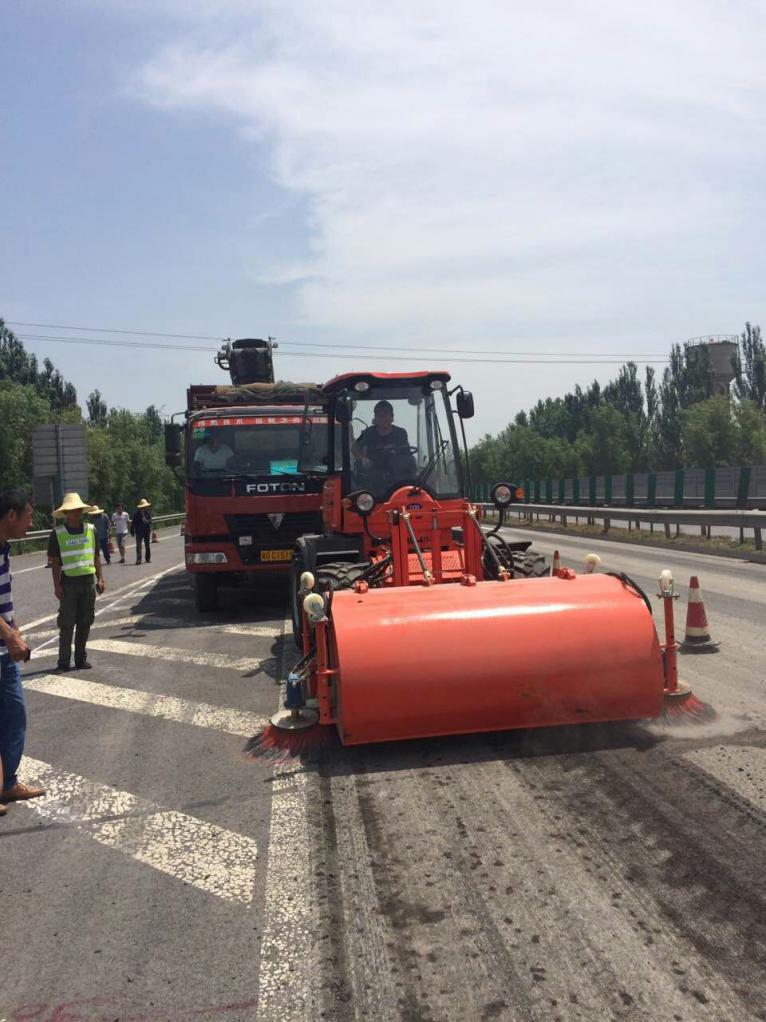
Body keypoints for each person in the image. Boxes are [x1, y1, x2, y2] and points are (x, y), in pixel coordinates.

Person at [0, 489, 45, 812]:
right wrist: (9, 636)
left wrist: (15, 629)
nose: (31, 523)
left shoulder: (4, 548)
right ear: (11, 516)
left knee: (14, 717)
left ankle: (8, 784)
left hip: (3, 653)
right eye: (28, 516)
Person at [48, 492, 105, 672]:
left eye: (78, 509)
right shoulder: (57, 534)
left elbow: (96, 556)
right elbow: (55, 562)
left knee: (85, 621)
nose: (76, 513)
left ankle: (80, 659)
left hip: (88, 583)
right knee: (66, 624)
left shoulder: (91, 530)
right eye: (72, 510)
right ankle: (63, 662)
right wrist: (57, 585)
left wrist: (100, 578)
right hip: (69, 584)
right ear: (66, 513)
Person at [351, 400, 414, 487]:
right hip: (372, 478)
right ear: (375, 418)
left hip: (397, 477)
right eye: (379, 415)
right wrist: (363, 459)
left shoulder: (400, 433)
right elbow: (354, 447)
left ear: (392, 417)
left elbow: (407, 455)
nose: (382, 417)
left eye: (385, 414)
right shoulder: (368, 433)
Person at [132, 498, 152, 565]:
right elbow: (133, 523)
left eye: (145, 507)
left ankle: (148, 558)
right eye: (143, 507)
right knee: (138, 546)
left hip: (146, 531)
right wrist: (132, 531)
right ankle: (139, 559)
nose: (144, 508)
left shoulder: (148, 513)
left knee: (147, 545)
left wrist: (147, 520)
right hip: (139, 532)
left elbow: (150, 521)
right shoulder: (136, 514)